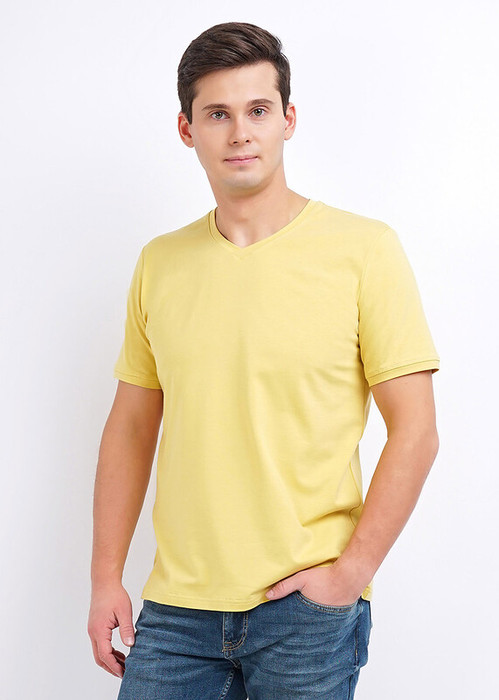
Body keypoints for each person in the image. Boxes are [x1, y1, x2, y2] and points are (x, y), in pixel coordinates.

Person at [87, 21, 440, 699]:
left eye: (257, 110)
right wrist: (106, 576)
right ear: (187, 129)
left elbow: (416, 429)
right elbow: (130, 427)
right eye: (217, 114)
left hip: (304, 610)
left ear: (288, 120)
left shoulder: (363, 251)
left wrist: (349, 574)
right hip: (176, 611)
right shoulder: (160, 263)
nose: (240, 133)